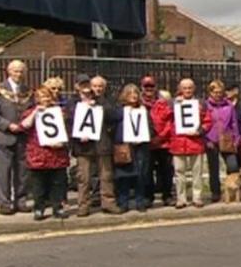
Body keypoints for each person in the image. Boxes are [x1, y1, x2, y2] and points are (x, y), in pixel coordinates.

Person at [66, 74, 121, 216]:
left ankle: (108, 203)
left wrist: (98, 103)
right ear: (78, 87)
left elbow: (114, 115)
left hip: (102, 143)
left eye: (88, 85)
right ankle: (83, 205)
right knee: (83, 178)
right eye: (83, 85)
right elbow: (70, 119)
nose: (87, 88)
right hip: (83, 146)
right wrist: (83, 104)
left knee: (106, 175)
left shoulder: (103, 100)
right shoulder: (73, 102)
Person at [0, 59, 32, 215]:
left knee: (22, 171)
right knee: (4, 171)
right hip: (4, 136)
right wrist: (7, 125)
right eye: (15, 71)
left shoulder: (27, 90)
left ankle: (21, 200)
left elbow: (31, 111)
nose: (18, 74)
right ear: (8, 71)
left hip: (23, 136)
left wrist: (26, 123)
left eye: (21, 71)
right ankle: (5, 203)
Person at [21, 86, 70, 221]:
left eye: (48, 96)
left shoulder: (59, 112)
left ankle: (57, 208)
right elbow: (24, 125)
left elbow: (68, 129)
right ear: (36, 99)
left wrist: (63, 142)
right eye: (42, 97)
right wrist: (35, 112)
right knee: (38, 185)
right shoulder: (30, 112)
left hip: (57, 154)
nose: (46, 99)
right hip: (38, 154)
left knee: (57, 183)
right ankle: (39, 209)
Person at [169, 79, 212, 208]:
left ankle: (197, 198)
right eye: (185, 88)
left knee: (197, 173)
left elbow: (208, 121)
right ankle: (181, 199)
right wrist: (173, 106)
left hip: (195, 142)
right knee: (179, 172)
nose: (187, 90)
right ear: (180, 89)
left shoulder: (200, 104)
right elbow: (164, 118)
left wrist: (200, 131)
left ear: (194, 89)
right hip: (178, 142)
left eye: (190, 88)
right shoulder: (173, 103)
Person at [112, 84, 154, 212]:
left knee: (140, 174)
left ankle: (139, 201)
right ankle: (123, 202)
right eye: (130, 93)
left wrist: (144, 138)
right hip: (125, 147)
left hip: (141, 147)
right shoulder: (120, 111)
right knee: (123, 176)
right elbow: (112, 125)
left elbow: (150, 128)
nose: (133, 96)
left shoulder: (143, 110)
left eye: (135, 93)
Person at [204, 79, 240, 204]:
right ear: (210, 92)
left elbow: (234, 123)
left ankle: (232, 190)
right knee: (213, 168)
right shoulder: (205, 105)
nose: (218, 94)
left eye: (220, 92)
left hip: (227, 139)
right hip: (211, 139)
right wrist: (206, 139)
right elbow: (203, 122)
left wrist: (236, 138)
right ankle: (215, 192)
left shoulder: (229, 105)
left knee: (233, 165)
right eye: (215, 92)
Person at [141, 76, 174, 207]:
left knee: (166, 170)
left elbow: (169, 121)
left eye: (151, 86)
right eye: (146, 87)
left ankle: (167, 195)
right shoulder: (138, 104)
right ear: (142, 88)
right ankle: (148, 197)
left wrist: (160, 136)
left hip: (163, 142)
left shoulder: (163, 103)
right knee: (147, 171)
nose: (149, 89)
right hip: (146, 143)